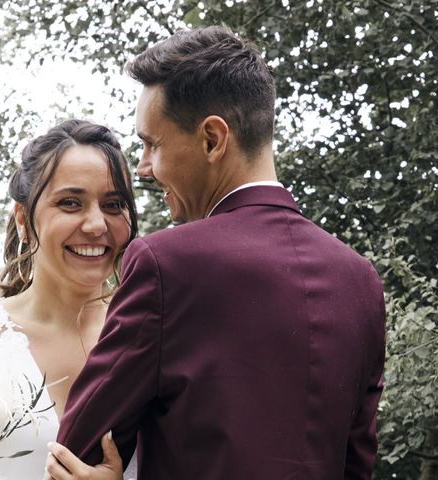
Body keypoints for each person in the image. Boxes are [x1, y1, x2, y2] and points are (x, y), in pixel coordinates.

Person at [46, 27, 386, 479]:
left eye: (152, 144)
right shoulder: (360, 279)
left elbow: (75, 457)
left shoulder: (166, 265)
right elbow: (355, 467)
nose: (144, 168)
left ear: (212, 139)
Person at [0, 119, 138, 480]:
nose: (97, 225)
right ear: (23, 219)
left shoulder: (159, 334)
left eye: (114, 204)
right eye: (70, 203)